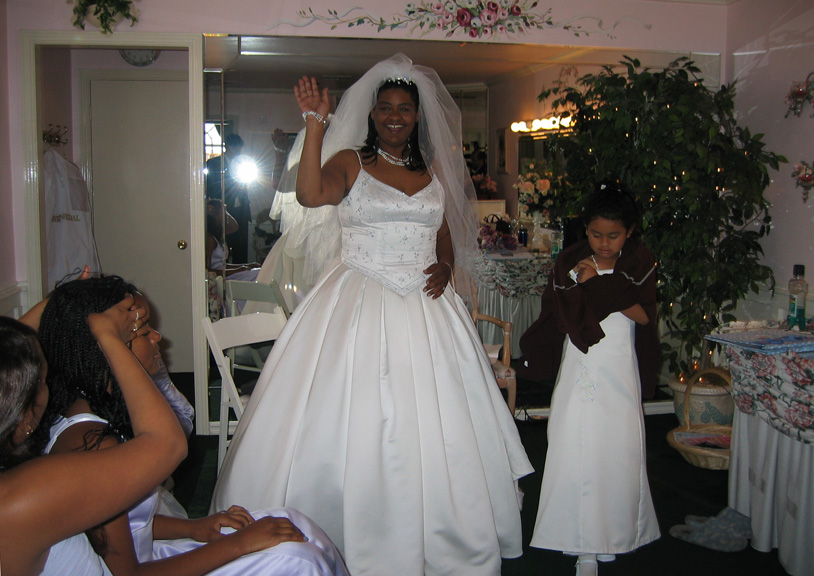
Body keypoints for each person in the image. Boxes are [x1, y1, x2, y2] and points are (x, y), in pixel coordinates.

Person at [211, 53, 533, 576]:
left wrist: (446, 262)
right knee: (355, 416)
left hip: (427, 305)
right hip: (358, 295)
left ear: (416, 116)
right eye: (386, 107)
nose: (395, 116)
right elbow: (310, 193)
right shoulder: (351, 162)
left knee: (439, 423)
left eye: (404, 108)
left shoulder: (431, 171)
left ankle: (442, 534)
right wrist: (316, 123)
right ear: (372, 114)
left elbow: (445, 228)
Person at [39, 276, 350, 576]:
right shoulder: (93, 445)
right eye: (145, 331)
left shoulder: (95, 416)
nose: (157, 337)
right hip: (143, 569)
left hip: (146, 556)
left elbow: (125, 525)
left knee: (291, 520)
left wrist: (194, 526)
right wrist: (240, 544)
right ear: (109, 349)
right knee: (300, 559)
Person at [528, 182, 661, 576]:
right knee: (575, 442)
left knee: (617, 446)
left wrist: (598, 282)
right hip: (582, 360)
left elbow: (643, 315)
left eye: (614, 236)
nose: (604, 244)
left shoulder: (639, 261)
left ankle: (615, 533)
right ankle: (581, 540)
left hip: (620, 364)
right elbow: (566, 315)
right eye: (596, 235)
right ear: (585, 229)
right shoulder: (570, 259)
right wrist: (589, 284)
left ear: (630, 231)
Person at [0, 298, 188, 576]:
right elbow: (167, 445)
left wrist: (67, 300)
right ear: (24, 414)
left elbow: (14, 358)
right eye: (44, 378)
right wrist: (108, 337)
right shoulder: (21, 496)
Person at [206, 133, 252, 263]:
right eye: (236, 147)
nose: (238, 151)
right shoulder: (214, 163)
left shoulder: (243, 164)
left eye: (240, 148)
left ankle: (240, 276)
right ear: (228, 147)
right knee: (222, 248)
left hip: (241, 211)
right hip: (222, 212)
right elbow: (211, 187)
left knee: (241, 249)